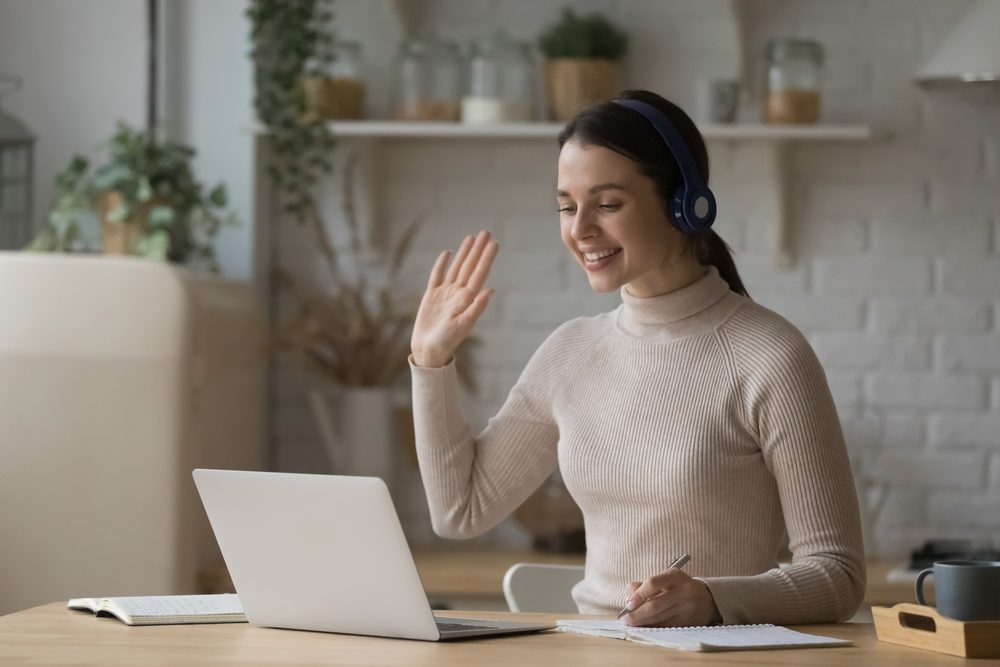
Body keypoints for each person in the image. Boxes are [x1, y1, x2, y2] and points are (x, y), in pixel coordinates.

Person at [408, 89, 865, 627]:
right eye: (565, 205)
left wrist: (715, 601)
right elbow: (460, 511)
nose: (579, 230)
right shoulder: (570, 351)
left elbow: (838, 575)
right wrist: (430, 359)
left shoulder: (770, 356)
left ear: (685, 204)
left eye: (606, 204)